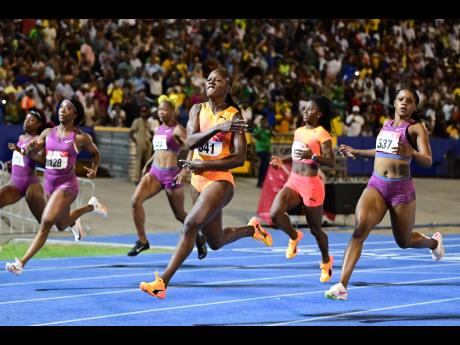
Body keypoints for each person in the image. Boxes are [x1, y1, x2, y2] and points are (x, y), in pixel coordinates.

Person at [139, 68, 272, 299]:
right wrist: (217, 129)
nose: (210, 82)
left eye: (217, 80)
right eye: (209, 79)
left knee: (190, 224)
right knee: (216, 242)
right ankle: (253, 229)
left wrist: (207, 165)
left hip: (221, 182)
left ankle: (162, 283)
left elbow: (240, 158)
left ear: (227, 87)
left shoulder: (234, 116)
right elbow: (190, 142)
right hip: (198, 181)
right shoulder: (197, 109)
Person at [325, 88, 445, 301]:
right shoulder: (387, 124)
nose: (404, 103)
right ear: (395, 102)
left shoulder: (416, 129)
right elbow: (380, 151)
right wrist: (357, 152)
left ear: (414, 106)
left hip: (401, 191)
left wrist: (412, 153)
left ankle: (434, 244)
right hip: (377, 185)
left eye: (409, 101)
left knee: (404, 241)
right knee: (360, 228)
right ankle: (342, 285)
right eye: (400, 99)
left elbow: (428, 160)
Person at [5, 99, 108, 275]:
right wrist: (28, 149)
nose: (62, 110)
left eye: (68, 108)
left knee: (46, 222)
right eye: (61, 107)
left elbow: (96, 153)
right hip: (49, 186)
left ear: (75, 114)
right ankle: (92, 206)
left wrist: (94, 169)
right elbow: (34, 149)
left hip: (67, 186)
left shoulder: (81, 137)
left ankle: (20, 263)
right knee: (61, 224)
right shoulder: (47, 133)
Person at [265, 95, 336, 283]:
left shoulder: (322, 134)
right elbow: (297, 154)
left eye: (310, 109)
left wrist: (313, 156)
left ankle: (326, 262)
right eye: (304, 109)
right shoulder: (298, 131)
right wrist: (282, 160)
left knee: (316, 229)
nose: (305, 112)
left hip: (311, 185)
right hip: (294, 180)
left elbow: (331, 161)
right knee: (274, 214)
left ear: (319, 114)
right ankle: (295, 236)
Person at [128, 94, 208, 259]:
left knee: (179, 214)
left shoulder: (178, 129)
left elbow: (193, 147)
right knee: (135, 202)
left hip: (172, 176)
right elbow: (159, 150)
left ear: (173, 111)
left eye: (165, 109)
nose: (161, 112)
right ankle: (142, 240)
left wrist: (185, 169)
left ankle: (198, 236)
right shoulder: (159, 128)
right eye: (159, 110)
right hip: (155, 173)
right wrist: (148, 163)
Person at [0, 109, 47, 227]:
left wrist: (25, 153)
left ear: (39, 124)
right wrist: (14, 161)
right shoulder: (21, 138)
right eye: (26, 119)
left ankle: (69, 223)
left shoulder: (38, 140)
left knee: (45, 221)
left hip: (30, 184)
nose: (26, 122)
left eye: (31, 120)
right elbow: (21, 156)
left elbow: (42, 160)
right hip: (15, 184)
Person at [130, 105, 153, 183]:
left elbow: (151, 132)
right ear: (140, 113)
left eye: (145, 112)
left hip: (147, 143)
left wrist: (151, 138)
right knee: (138, 161)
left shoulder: (148, 122)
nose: (144, 114)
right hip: (140, 143)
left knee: (147, 162)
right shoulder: (137, 121)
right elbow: (130, 132)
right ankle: (137, 178)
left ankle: (145, 178)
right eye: (142, 112)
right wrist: (136, 141)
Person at [252, 116, 273, 188]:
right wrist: (262, 129)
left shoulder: (267, 130)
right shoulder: (257, 129)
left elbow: (273, 135)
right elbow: (255, 135)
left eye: (266, 122)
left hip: (267, 150)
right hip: (260, 150)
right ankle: (260, 181)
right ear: (261, 122)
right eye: (264, 122)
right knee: (263, 166)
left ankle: (262, 181)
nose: (265, 123)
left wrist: (270, 129)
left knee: (266, 167)